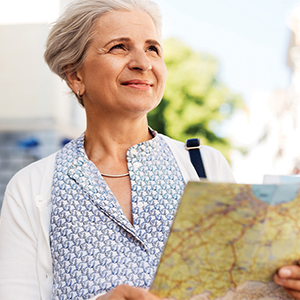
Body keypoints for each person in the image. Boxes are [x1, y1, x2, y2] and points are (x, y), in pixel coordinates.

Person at [0, 0, 296, 299]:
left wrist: (286, 286)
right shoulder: (30, 187)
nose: (144, 63)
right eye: (119, 47)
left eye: (153, 48)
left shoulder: (205, 166)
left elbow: (239, 288)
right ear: (75, 75)